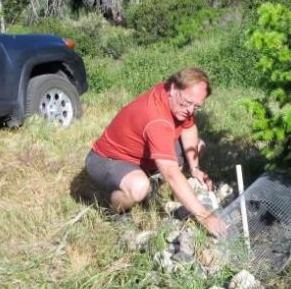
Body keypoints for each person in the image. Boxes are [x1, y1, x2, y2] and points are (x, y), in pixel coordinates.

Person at [86, 67, 226, 237]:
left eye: (196, 106)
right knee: (138, 187)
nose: (190, 110)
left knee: (198, 145)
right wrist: (205, 216)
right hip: (108, 159)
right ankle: (118, 210)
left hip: (142, 156)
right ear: (173, 88)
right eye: (187, 103)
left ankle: (154, 183)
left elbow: (189, 128)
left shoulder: (174, 96)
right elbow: (171, 173)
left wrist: (195, 168)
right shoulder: (157, 119)